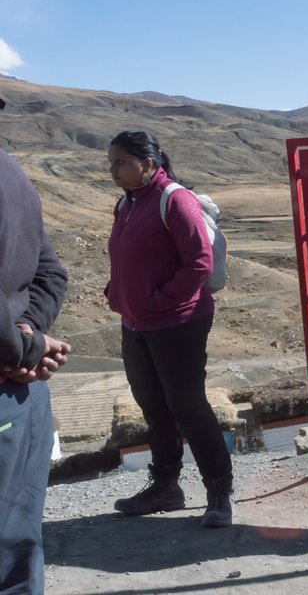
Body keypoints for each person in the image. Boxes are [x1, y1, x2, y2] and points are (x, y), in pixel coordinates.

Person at [105, 130, 233, 528]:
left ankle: (218, 494)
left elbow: (198, 264)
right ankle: (166, 488)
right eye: (110, 163)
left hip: (178, 322)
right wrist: (117, 294)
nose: (112, 170)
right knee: (154, 409)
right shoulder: (126, 204)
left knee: (188, 407)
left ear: (147, 163)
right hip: (136, 324)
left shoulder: (174, 200)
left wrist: (158, 301)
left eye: (120, 162)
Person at [0, 94, 72, 594]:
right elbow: (50, 272)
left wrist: (20, 346)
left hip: (11, 375)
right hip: (24, 395)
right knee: (18, 546)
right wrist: (31, 338)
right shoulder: (15, 176)